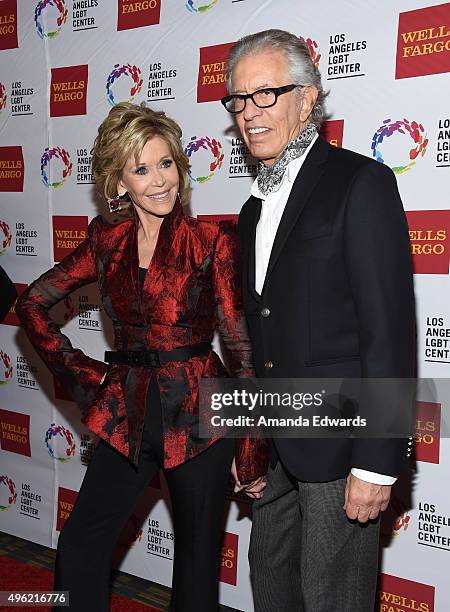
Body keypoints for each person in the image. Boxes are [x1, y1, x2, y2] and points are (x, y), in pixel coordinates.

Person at [16, 102, 267, 612]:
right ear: (119, 181)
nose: (159, 181)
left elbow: (240, 348)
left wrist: (251, 445)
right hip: (127, 412)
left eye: (167, 163)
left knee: (197, 564)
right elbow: (32, 303)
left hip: (201, 416)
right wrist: (87, 374)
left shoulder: (211, 241)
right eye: (141, 168)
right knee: (81, 544)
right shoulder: (105, 243)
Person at [223, 29, 415, 611]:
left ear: (308, 99)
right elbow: (258, 340)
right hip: (274, 445)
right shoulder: (251, 211)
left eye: (266, 95)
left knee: (334, 602)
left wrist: (378, 462)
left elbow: (390, 332)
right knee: (273, 592)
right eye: (238, 100)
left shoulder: (360, 183)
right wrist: (248, 436)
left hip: (340, 448)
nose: (249, 114)